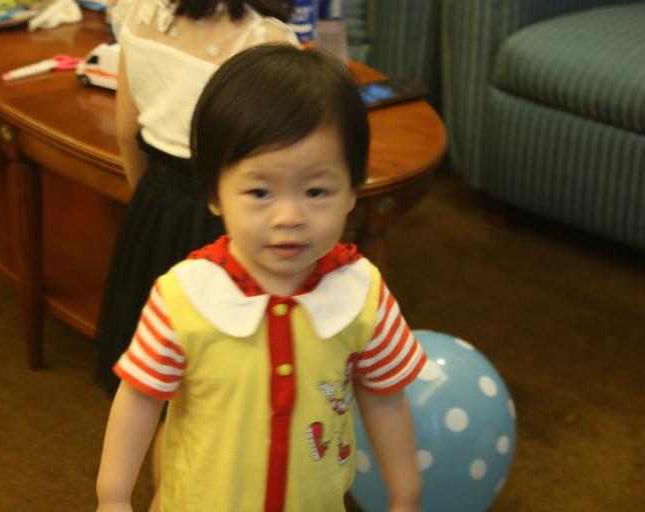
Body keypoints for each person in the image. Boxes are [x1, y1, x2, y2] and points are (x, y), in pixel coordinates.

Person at [96, 44, 428, 512]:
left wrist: (405, 492)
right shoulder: (186, 296)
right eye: (259, 192)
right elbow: (140, 396)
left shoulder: (362, 294)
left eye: (316, 191)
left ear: (352, 190)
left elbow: (385, 397)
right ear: (215, 193)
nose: (289, 216)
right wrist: (113, 496)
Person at [95, 0, 298, 395]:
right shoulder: (265, 42)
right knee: (226, 374)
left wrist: (150, 201)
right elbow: (281, 165)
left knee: (157, 366)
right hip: (231, 221)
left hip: (157, 204)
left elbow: (126, 132)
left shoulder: (137, 16)